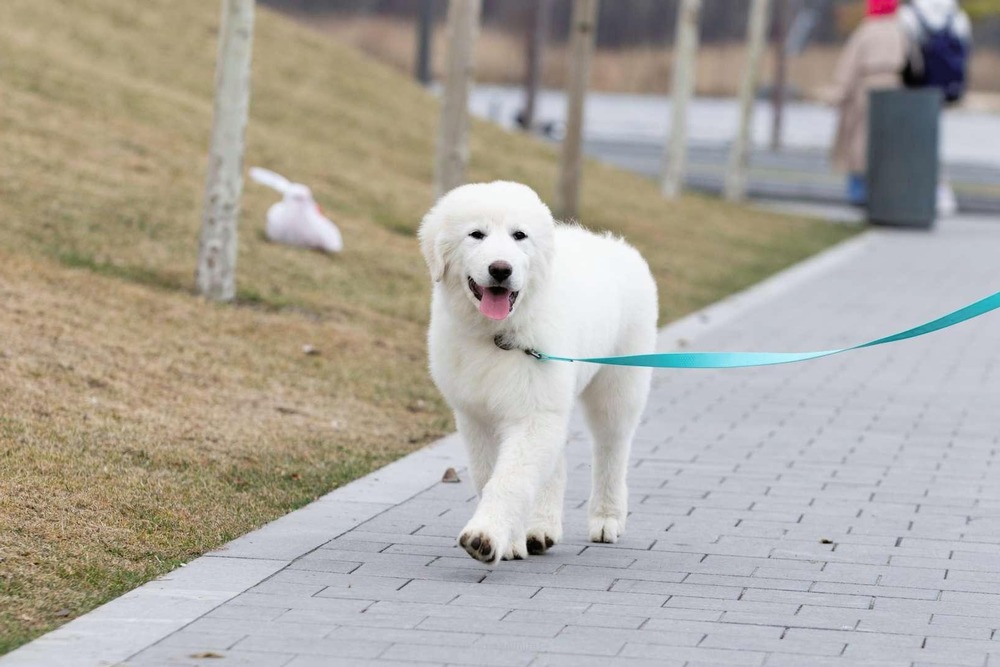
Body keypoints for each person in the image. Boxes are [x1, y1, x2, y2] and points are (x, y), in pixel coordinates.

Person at [830, 0, 908, 206]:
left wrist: (839, 93)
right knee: (889, 142)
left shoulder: (865, 31)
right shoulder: (901, 32)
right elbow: (914, 64)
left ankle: (858, 190)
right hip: (895, 88)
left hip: (866, 87)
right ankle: (885, 190)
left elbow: (849, 65)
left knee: (859, 140)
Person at [899, 0, 973, 215]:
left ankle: (916, 191)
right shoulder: (956, 15)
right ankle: (941, 193)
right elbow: (965, 48)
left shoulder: (910, 14)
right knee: (936, 138)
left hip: (917, 87)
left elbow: (905, 50)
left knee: (913, 138)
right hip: (944, 89)